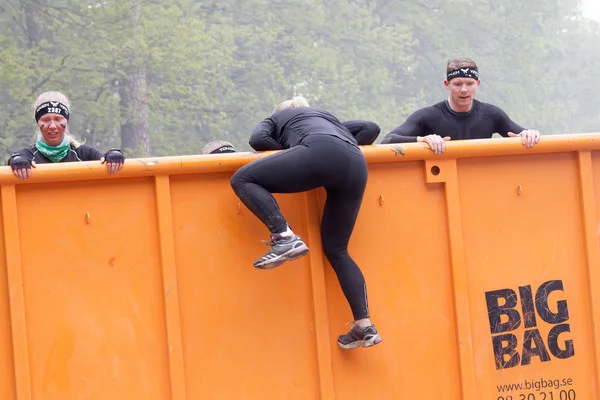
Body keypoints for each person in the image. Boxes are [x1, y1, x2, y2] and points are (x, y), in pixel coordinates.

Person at [230, 96, 382, 349]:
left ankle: (284, 236)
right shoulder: (327, 119)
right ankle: (363, 324)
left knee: (242, 179)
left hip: (318, 151)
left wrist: (290, 153)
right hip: (355, 163)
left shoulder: (278, 118)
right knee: (337, 249)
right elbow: (371, 128)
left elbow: (257, 140)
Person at [381, 58, 541, 154]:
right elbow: (387, 141)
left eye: (469, 84)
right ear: (447, 84)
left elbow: (523, 135)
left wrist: (530, 134)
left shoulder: (491, 114)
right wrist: (422, 140)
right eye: (457, 84)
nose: (464, 90)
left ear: (477, 84)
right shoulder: (428, 116)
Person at [7, 91, 125, 180]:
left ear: (66, 121)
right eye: (46, 120)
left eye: (58, 119)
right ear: (38, 122)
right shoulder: (26, 157)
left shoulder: (84, 154)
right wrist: (14, 163)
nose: (52, 125)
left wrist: (114, 156)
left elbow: (108, 168)